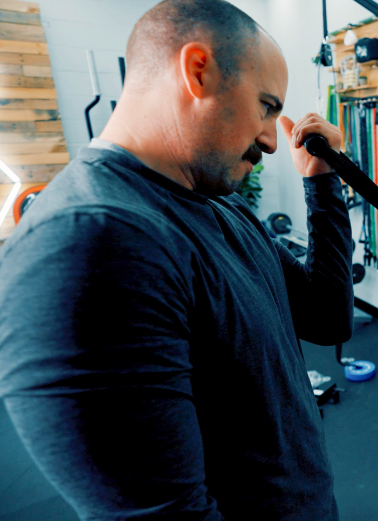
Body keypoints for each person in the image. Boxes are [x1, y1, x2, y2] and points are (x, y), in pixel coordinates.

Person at [0, 1, 351, 519]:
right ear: (197, 71)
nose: (272, 141)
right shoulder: (89, 244)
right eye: (266, 107)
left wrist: (322, 181)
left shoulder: (217, 203)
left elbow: (326, 316)